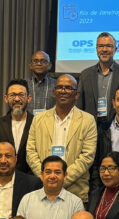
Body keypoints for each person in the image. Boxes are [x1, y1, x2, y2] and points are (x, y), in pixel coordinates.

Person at [26, 73, 97, 204]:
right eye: (59, 87)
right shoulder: (38, 120)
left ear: (77, 94)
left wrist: (61, 179)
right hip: (43, 190)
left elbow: (87, 156)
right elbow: (30, 152)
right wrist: (46, 177)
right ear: (54, 92)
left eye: (68, 88)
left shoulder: (88, 120)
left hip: (75, 191)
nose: (63, 91)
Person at [17, 156, 83, 219]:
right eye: (48, 172)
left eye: (57, 172)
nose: (52, 176)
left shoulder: (75, 203)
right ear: (42, 175)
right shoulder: (27, 200)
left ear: (65, 175)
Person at [77, 32, 119, 125]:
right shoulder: (85, 75)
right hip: (90, 129)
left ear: (115, 49)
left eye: (109, 46)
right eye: (101, 46)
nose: (104, 49)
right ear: (96, 49)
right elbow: (79, 107)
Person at [0, 78, 35, 175]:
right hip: (3, 179)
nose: (17, 99)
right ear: (6, 98)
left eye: (21, 95)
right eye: (12, 95)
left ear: (29, 98)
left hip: (32, 182)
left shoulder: (37, 123)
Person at [27, 50, 56, 115]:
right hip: (28, 123)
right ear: (31, 65)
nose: (39, 64)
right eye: (36, 61)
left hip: (50, 123)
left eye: (43, 61)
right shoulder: (23, 85)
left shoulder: (56, 85)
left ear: (50, 65)